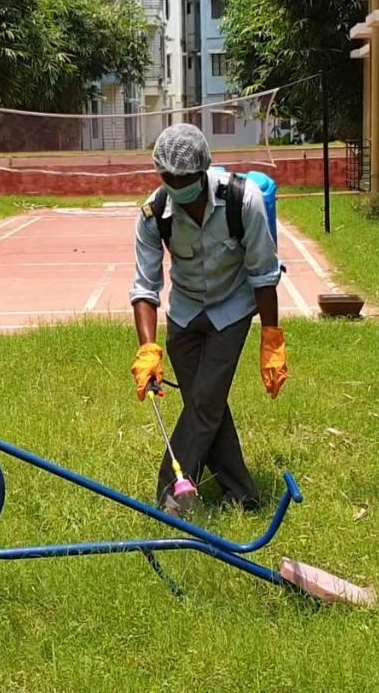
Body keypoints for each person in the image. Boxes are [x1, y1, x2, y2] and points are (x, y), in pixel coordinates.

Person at [129, 123, 288, 515]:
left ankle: (170, 495)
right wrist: (148, 347)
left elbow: (264, 276)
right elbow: (145, 287)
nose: (176, 184)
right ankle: (242, 493)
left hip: (231, 308)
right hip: (184, 311)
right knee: (207, 402)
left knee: (204, 401)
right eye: (168, 177)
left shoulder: (241, 200)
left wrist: (271, 340)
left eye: (184, 178)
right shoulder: (153, 214)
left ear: (203, 171)